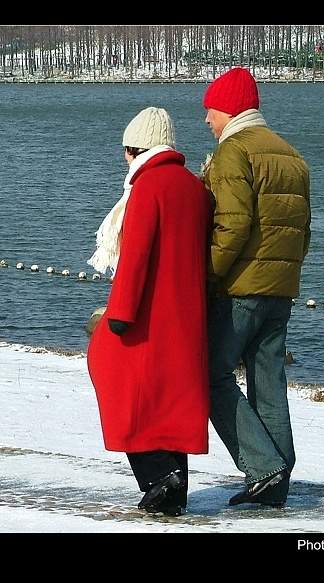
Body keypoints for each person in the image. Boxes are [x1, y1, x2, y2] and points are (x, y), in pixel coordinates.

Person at [87, 107, 212, 516]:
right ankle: (173, 495)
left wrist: (120, 313)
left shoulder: (147, 187)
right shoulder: (194, 187)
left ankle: (158, 474)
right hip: (186, 313)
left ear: (138, 149)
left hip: (148, 312)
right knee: (172, 403)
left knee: (106, 364)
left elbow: (135, 257)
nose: (124, 158)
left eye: (126, 149)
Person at [200, 67, 311, 507]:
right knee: (268, 381)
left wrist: (206, 276)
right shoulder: (291, 154)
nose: (207, 120)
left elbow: (232, 225)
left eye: (210, 110)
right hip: (281, 288)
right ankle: (276, 480)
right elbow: (304, 227)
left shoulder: (234, 152)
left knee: (210, 374)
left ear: (228, 109)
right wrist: (287, 274)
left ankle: (263, 468)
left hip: (241, 287)